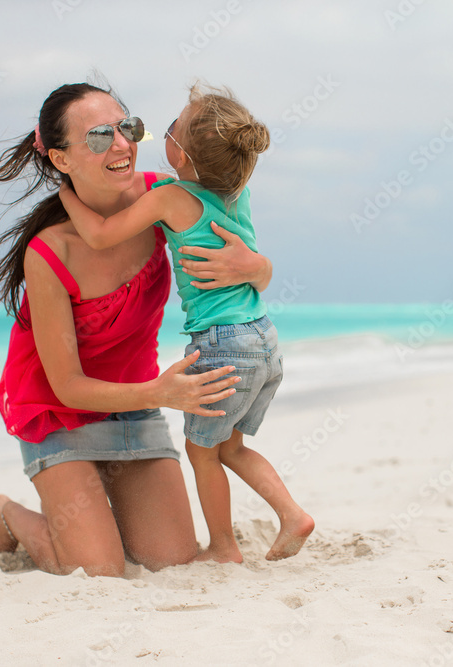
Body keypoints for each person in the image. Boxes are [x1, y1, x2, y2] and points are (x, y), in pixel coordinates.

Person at [0, 81, 274, 577]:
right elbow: (66, 384)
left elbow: (250, 275)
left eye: (127, 128)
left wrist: (255, 266)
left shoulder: (163, 198)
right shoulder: (50, 253)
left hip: (136, 410)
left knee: (170, 562)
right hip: (59, 414)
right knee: (98, 573)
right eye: (97, 136)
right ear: (61, 158)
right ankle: (6, 514)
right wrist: (161, 389)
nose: (121, 145)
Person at [58, 82, 313, 563]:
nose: (163, 131)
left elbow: (99, 234)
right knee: (231, 448)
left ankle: (224, 546)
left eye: (171, 127)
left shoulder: (171, 198)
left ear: (183, 157)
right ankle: (291, 513)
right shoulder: (239, 193)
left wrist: (66, 192)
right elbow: (254, 261)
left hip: (221, 346)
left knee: (203, 453)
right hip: (263, 339)